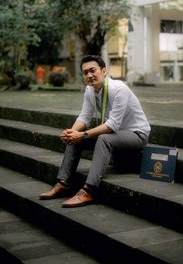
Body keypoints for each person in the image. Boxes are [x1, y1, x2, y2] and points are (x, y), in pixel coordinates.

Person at [39, 55, 150, 207]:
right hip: (114, 134)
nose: (89, 75)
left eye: (93, 71)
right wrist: (71, 132)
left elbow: (112, 125)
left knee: (103, 138)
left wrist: (83, 134)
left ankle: (89, 191)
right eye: (85, 73)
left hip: (136, 134)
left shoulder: (119, 89)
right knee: (75, 138)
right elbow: (84, 117)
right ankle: (63, 183)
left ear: (103, 71)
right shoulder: (90, 91)